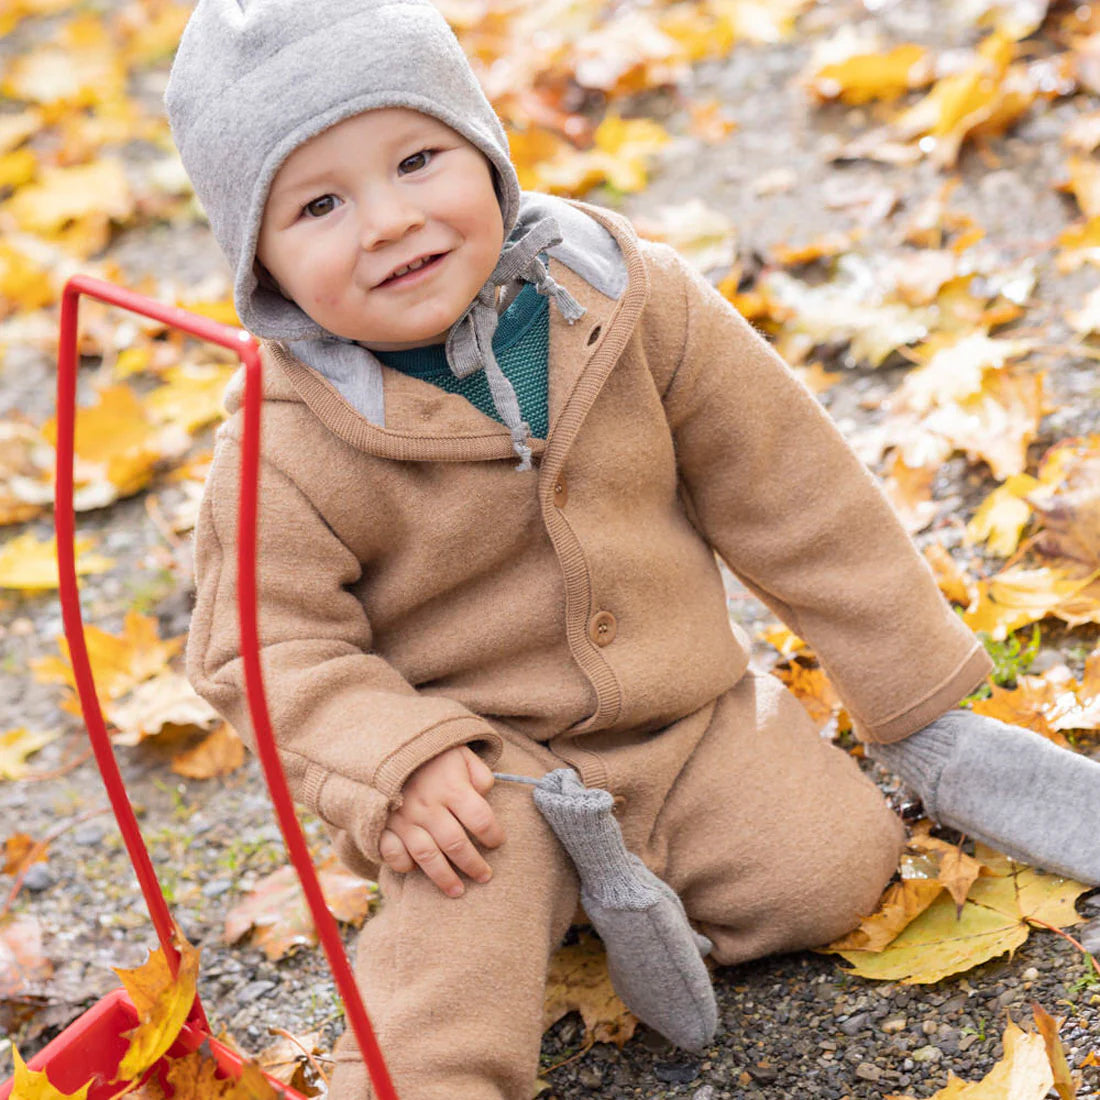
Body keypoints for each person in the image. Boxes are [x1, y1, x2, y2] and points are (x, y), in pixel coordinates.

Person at [165, 1, 1100, 1096]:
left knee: (833, 867)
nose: (387, 219)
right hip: (480, 773)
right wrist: (395, 759)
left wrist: (917, 709)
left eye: (417, 158)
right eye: (319, 203)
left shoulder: (621, 298)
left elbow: (796, 496)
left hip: (682, 719)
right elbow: (265, 647)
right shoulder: (284, 436)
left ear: (482, 146)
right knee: (448, 972)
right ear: (261, 263)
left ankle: (622, 883)